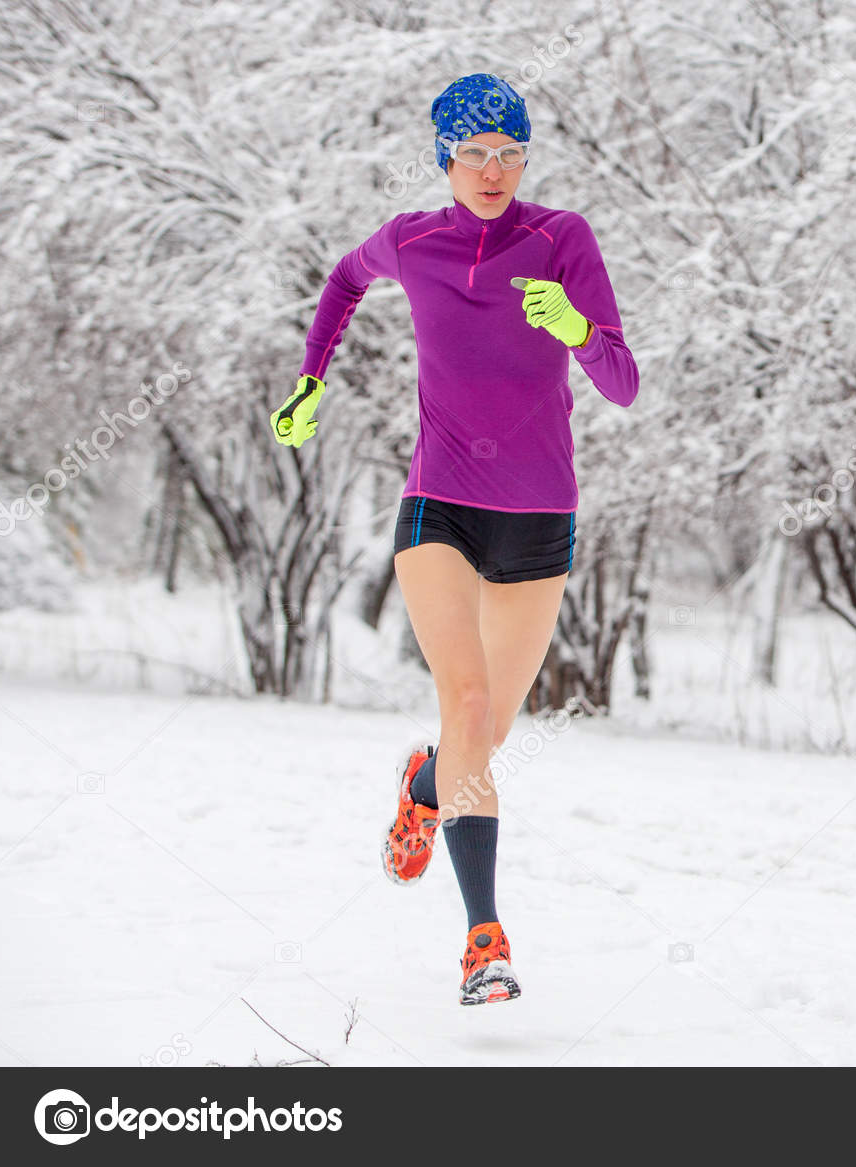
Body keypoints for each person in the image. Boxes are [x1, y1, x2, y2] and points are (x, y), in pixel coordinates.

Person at [270, 73, 640, 1006]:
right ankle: (485, 937)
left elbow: (625, 382)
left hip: (540, 518)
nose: (493, 170)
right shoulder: (414, 240)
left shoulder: (564, 239)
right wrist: (313, 376)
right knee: (467, 702)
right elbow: (346, 279)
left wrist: (580, 328)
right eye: (474, 153)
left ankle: (425, 783)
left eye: (511, 153)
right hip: (440, 504)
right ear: (444, 157)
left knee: (482, 733)